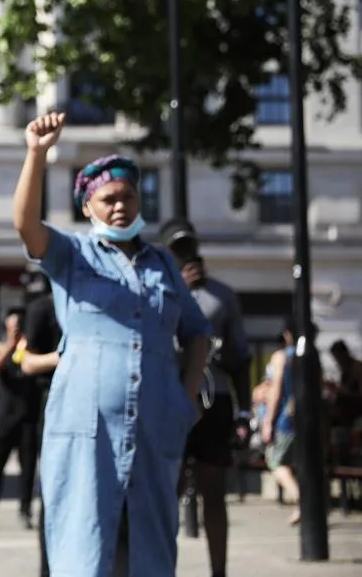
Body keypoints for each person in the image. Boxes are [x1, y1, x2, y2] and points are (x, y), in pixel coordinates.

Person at [11, 112, 211, 577]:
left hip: (157, 422)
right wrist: (37, 153)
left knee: (152, 542)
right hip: (87, 427)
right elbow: (25, 225)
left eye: (128, 197)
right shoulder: (73, 254)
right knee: (84, 539)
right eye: (108, 199)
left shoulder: (162, 263)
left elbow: (198, 332)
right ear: (88, 207)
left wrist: (185, 398)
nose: (120, 206)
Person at [159, 219, 252, 577]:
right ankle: (161, 566)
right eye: (177, 249)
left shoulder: (222, 296)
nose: (187, 256)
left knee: (214, 491)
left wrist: (244, 415)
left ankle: (219, 571)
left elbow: (242, 359)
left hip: (214, 402)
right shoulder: (158, 290)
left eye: (190, 248)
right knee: (169, 487)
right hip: (171, 400)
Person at [0, 307, 41, 530]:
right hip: (5, 419)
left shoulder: (32, 349)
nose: (16, 329)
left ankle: (25, 511)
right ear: (6, 327)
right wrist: (11, 345)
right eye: (13, 326)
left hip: (28, 418)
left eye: (19, 326)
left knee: (28, 470)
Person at [22, 273, 62, 577]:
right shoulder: (42, 309)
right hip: (55, 404)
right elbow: (28, 362)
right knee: (54, 491)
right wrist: (64, 358)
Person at [261, 318, 303, 526]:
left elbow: (276, 390)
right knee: (300, 463)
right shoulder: (309, 356)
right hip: (305, 417)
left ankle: (300, 499)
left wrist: (268, 421)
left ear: (288, 334)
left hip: (285, 418)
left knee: (276, 462)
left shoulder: (281, 357)